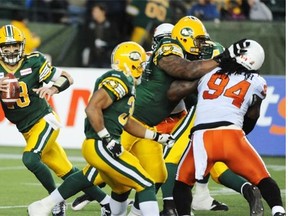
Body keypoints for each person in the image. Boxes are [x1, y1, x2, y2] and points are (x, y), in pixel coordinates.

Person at [70, 16, 252, 216]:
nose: (167, 44)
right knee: (115, 163)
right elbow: (179, 85)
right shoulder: (164, 56)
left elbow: (189, 89)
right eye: (165, 40)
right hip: (145, 119)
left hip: (166, 119)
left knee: (160, 169)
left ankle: (183, 201)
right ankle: (70, 196)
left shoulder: (180, 55)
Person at [27, 41, 175, 216]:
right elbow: (92, 108)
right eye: (141, 64)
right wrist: (107, 139)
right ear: (130, 61)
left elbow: (126, 122)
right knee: (146, 184)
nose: (143, 68)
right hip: (101, 144)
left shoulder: (128, 84)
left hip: (102, 145)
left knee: (118, 189)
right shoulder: (120, 78)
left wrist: (156, 137)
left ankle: (43, 205)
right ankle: (43, 205)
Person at [0, 24, 110, 216]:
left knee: (31, 159)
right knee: (67, 172)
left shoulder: (33, 61)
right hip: (26, 129)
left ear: (22, 46)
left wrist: (52, 89)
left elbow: (67, 77)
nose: (10, 51)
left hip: (44, 120)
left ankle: (54, 200)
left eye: (15, 46)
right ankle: (107, 202)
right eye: (6, 47)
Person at [171, 39, 286, 216]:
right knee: (263, 178)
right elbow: (253, 116)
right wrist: (241, 135)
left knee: (182, 183)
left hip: (202, 138)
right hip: (231, 135)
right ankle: (279, 211)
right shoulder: (256, 81)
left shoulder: (208, 73)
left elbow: (175, 92)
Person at [81, 3, 120, 68]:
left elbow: (116, 40)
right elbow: (86, 39)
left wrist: (106, 44)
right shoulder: (90, 25)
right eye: (93, 11)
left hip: (107, 57)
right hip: (93, 58)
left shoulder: (111, 25)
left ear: (103, 12)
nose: (94, 13)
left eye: (96, 11)